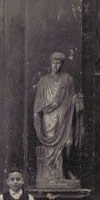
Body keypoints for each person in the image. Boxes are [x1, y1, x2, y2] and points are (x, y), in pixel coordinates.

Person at [33, 52, 83, 182]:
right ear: (50, 63)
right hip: (49, 117)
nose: (56, 66)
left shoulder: (68, 79)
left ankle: (65, 170)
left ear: (62, 64)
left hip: (64, 116)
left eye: (58, 63)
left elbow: (71, 97)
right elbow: (39, 101)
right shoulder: (44, 81)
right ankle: (53, 175)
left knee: (68, 143)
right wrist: (38, 115)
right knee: (51, 147)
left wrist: (77, 101)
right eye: (53, 63)